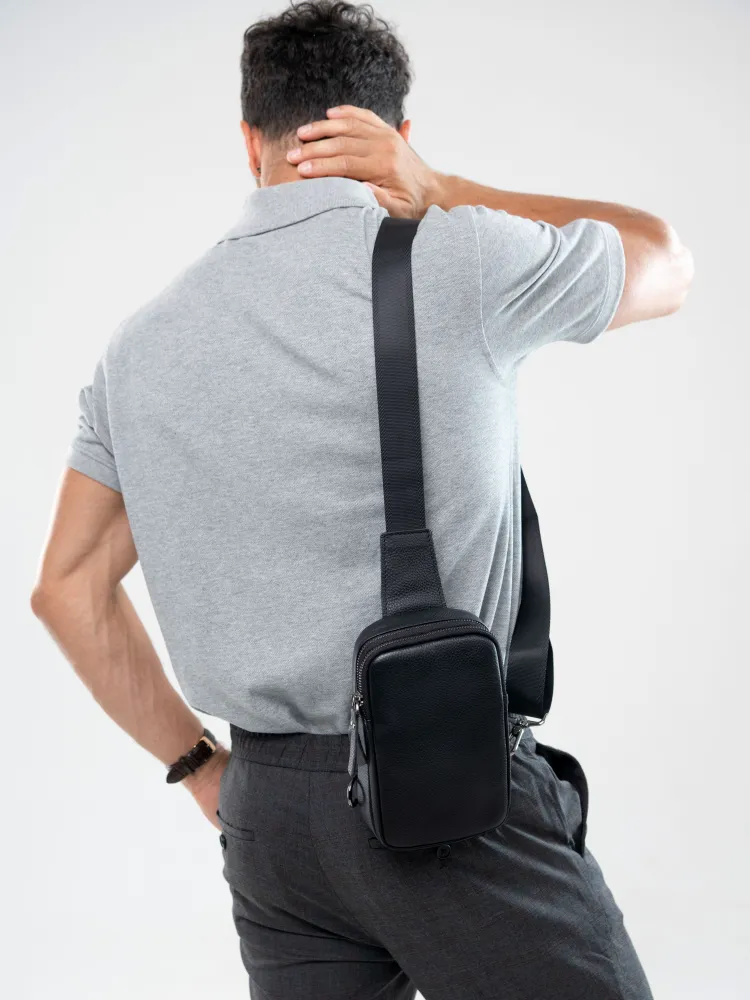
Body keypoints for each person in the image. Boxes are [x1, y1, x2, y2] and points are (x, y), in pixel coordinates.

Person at [31, 2, 693, 998]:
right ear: (397, 134)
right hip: (446, 793)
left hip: (270, 822)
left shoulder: (140, 346)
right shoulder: (462, 259)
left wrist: (200, 767)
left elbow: (68, 589)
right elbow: (666, 262)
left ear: (249, 139)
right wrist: (441, 189)